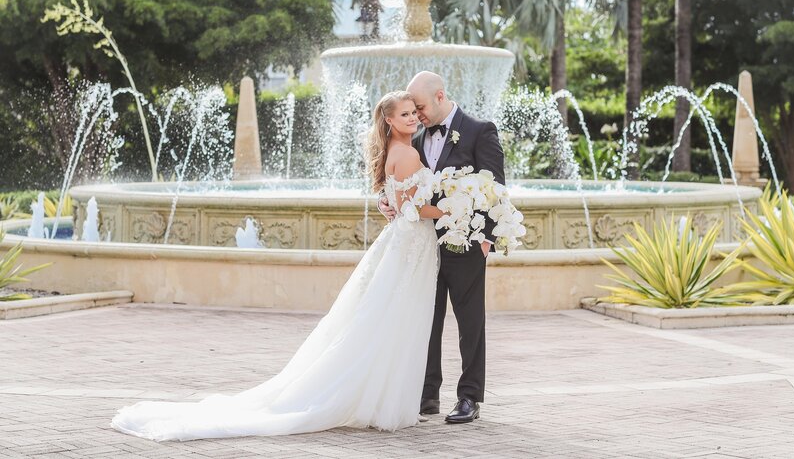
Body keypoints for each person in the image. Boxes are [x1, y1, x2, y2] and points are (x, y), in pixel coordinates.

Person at [110, 91, 445, 441]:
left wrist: (395, 203)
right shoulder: (406, 152)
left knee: (392, 319)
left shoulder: (398, 149)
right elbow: (412, 209)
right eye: (404, 114)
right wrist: (453, 209)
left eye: (413, 113)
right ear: (389, 120)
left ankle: (383, 398)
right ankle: (382, 402)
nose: (412, 118)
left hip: (406, 246)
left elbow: (394, 198)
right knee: (398, 318)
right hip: (410, 245)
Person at [379, 71, 505, 424]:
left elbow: (496, 187)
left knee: (470, 324)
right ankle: (427, 394)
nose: (416, 115)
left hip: (466, 245)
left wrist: (485, 240)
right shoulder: (414, 137)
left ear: (439, 96)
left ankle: (469, 397)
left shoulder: (481, 131)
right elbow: (402, 185)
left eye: (418, 107)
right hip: (423, 244)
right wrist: (384, 202)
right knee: (426, 321)